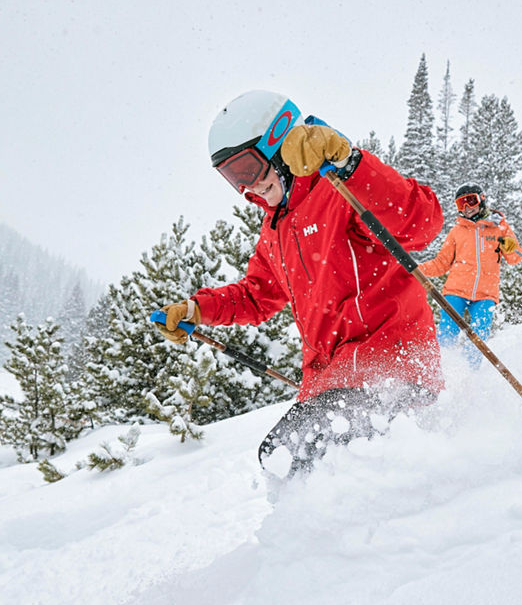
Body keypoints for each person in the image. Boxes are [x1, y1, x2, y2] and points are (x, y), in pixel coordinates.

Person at [154, 90, 444, 479]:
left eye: (246, 169)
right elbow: (256, 294)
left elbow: (421, 222)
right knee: (282, 460)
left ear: (280, 144)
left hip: (389, 370)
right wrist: (197, 309)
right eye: (231, 177)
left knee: (294, 456)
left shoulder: (340, 189)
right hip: (334, 382)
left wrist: (349, 163)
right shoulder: (277, 227)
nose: (246, 187)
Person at [419, 184, 522, 366]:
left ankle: (470, 374)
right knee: (447, 331)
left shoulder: (498, 228)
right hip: (456, 291)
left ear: (481, 200)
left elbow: (515, 258)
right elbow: (441, 264)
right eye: (461, 204)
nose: (467, 208)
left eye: (471, 201)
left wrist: (510, 243)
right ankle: (440, 371)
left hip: (486, 294)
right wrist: (417, 269)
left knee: (478, 338)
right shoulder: (457, 232)